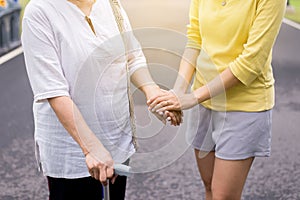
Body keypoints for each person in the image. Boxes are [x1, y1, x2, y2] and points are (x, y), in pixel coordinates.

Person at [21, 0, 181, 199]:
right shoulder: (40, 11)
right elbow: (53, 90)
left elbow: (132, 57)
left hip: (116, 140)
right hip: (72, 151)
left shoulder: (111, 4)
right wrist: (91, 148)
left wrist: (153, 92)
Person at [148, 0, 286, 199]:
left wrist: (192, 98)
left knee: (223, 196)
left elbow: (252, 62)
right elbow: (195, 40)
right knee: (209, 187)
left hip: (243, 106)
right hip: (205, 104)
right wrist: (178, 92)